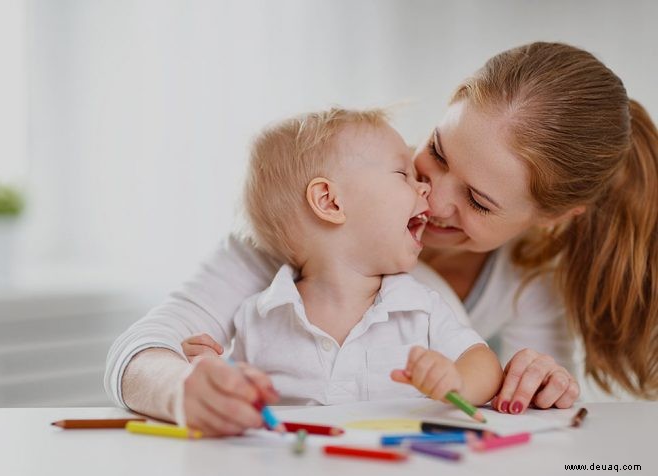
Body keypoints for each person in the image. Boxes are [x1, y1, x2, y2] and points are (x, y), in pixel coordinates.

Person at [105, 42, 658, 434]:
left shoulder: (530, 277)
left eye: (479, 201)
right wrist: (185, 389)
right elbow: (136, 354)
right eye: (437, 152)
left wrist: (538, 392)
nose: (433, 199)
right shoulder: (302, 227)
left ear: (552, 219)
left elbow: (528, 428)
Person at [180, 108, 501, 414]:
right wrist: (216, 375)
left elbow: (484, 364)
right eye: (404, 174)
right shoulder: (259, 318)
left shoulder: (420, 307)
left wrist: (457, 381)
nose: (425, 189)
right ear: (330, 202)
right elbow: (243, 399)